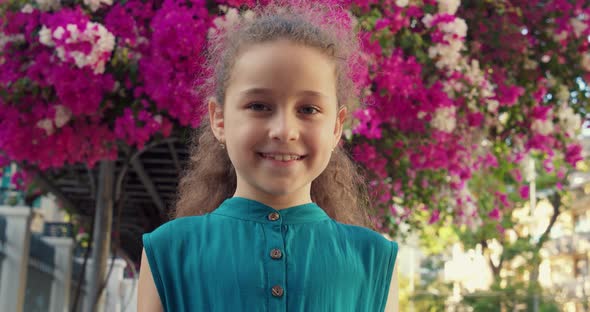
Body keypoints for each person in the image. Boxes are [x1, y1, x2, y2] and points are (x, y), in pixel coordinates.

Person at [138, 1, 399, 311]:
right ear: (219, 120)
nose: (284, 130)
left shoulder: (374, 260)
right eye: (259, 106)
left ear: (336, 127)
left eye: (308, 110)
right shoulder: (168, 251)